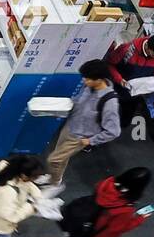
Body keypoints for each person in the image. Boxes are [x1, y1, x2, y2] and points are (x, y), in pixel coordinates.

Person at [23, 167, 152, 237]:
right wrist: (139, 218)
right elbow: (117, 227)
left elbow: (97, 190)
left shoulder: (108, 183)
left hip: (83, 220)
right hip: (100, 235)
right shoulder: (125, 208)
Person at [45, 59, 120, 187]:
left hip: (80, 137)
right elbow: (78, 101)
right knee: (60, 156)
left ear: (99, 79)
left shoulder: (109, 102)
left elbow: (114, 131)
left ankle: (55, 184)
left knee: (53, 160)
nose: (84, 81)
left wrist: (91, 141)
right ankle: (55, 177)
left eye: (88, 79)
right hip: (69, 127)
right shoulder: (88, 86)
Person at [105, 33, 154, 125]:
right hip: (117, 86)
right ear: (148, 47)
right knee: (108, 112)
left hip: (137, 92)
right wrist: (119, 79)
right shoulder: (127, 50)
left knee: (125, 118)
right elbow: (109, 64)